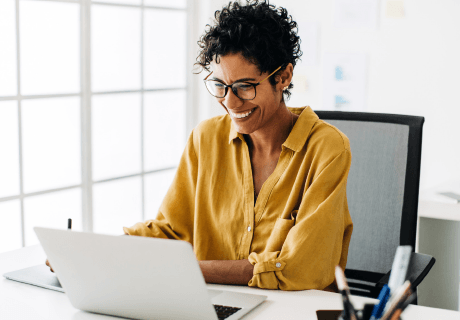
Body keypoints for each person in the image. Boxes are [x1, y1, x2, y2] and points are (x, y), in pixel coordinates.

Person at [48, 0, 353, 292]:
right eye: (220, 85)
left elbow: (300, 267)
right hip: (211, 302)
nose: (230, 102)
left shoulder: (327, 148)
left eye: (245, 87)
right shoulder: (205, 139)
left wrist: (184, 269)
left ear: (283, 77)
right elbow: (171, 230)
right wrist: (98, 254)